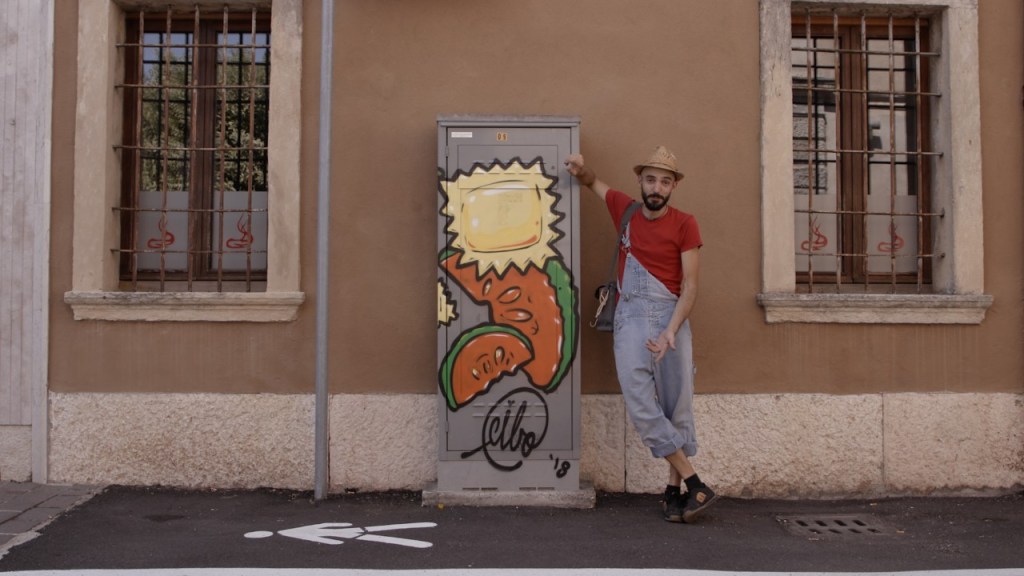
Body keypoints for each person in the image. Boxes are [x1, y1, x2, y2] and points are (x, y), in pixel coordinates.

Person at [565, 146, 716, 523]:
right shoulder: (626, 210)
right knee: (641, 405)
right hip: (630, 318)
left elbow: (691, 286)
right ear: (640, 181)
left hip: (670, 316)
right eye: (650, 180)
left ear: (674, 186)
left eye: (665, 182)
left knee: (677, 406)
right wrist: (581, 169)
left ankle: (674, 491)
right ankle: (696, 482)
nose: (656, 188)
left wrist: (670, 331)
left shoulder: (686, 224)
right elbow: (593, 183)